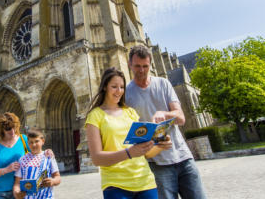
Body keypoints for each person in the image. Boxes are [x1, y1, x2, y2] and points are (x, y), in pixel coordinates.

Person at [125, 45, 208, 199]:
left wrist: (164, 114)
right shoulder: (126, 94)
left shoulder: (163, 83)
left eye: (145, 66)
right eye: (137, 66)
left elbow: (181, 118)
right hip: (157, 165)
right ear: (129, 64)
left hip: (183, 157)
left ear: (151, 64)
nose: (142, 70)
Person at [85, 67, 171, 199]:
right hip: (116, 185)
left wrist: (160, 145)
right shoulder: (95, 115)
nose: (119, 91)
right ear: (104, 87)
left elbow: (144, 152)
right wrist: (129, 153)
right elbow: (97, 159)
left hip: (145, 181)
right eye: (114, 86)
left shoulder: (130, 112)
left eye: (122, 87)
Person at [0, 112, 54, 199]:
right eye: (8, 128)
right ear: (1, 129)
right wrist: (6, 170)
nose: (12, 131)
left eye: (14, 127)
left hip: (22, 192)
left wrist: (46, 152)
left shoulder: (23, 139)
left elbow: (36, 152)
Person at [13, 128, 61, 199]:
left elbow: (58, 177)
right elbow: (17, 183)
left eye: (36, 141)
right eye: (31, 142)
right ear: (28, 143)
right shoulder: (22, 160)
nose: (34, 144)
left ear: (43, 141)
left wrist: (53, 181)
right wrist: (17, 193)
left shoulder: (49, 157)